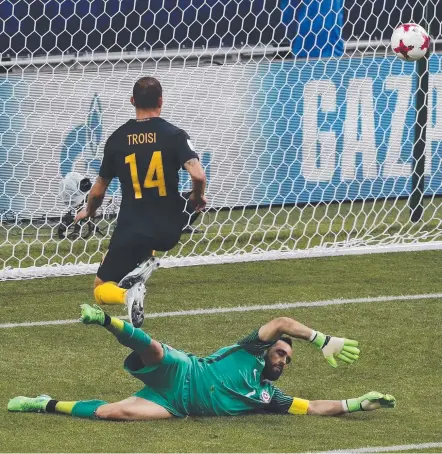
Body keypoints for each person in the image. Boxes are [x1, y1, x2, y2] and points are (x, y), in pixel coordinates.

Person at [8, 304, 396, 420]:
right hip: (184, 370)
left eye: (288, 359)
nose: (283, 359)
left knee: (115, 413)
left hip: (176, 405)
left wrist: (357, 403)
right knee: (155, 350)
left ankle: (42, 402)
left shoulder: (268, 397)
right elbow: (281, 322)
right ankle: (105, 320)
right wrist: (319, 339)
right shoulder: (248, 350)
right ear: (268, 350)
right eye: (281, 351)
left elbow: (312, 406)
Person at [74, 77, 207, 328]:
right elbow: (199, 176)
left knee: (100, 289)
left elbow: (99, 190)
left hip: (132, 229)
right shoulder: (175, 135)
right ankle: (147, 259)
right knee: (194, 200)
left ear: (132, 101)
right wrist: (197, 197)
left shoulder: (116, 140)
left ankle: (127, 294)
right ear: (161, 101)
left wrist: (88, 212)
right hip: (169, 230)